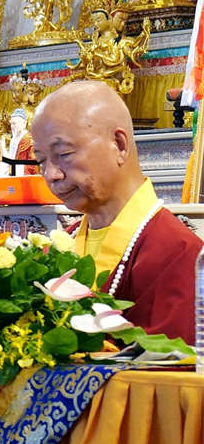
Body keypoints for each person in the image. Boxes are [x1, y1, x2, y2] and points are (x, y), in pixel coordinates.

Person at [32, 79, 202, 343]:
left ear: (119, 145)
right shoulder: (58, 247)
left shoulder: (179, 253)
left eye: (63, 153)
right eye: (41, 161)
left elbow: (172, 365)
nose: (51, 174)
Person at [0, 108, 37, 177]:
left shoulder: (27, 139)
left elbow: (15, 162)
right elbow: (10, 160)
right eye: (11, 124)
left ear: (24, 123)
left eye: (15, 124)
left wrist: (3, 150)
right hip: (14, 166)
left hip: (25, 169)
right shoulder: (14, 139)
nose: (12, 127)